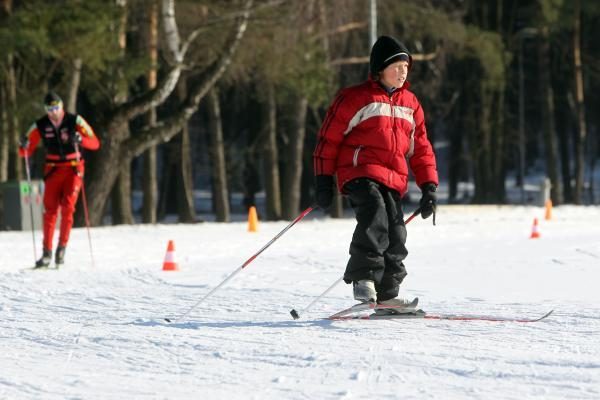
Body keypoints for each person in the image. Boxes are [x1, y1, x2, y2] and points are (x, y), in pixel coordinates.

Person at [313, 35, 438, 313]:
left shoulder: (410, 103)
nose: (403, 72)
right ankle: (364, 278)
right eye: (396, 66)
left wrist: (429, 186)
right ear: (379, 69)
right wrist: (323, 179)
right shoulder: (355, 98)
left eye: (406, 67)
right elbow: (328, 140)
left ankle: (387, 294)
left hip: (393, 178)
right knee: (375, 215)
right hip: (359, 171)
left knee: (397, 230)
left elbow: (421, 148)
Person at [19, 92, 100, 268]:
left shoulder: (75, 120)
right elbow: (25, 150)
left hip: (73, 167)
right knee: (50, 210)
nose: (53, 112)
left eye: (56, 108)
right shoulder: (40, 125)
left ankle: (61, 249)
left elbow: (94, 142)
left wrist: (81, 140)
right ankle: (46, 252)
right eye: (50, 109)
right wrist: (24, 145)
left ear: (62, 106)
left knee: (68, 208)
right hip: (53, 169)